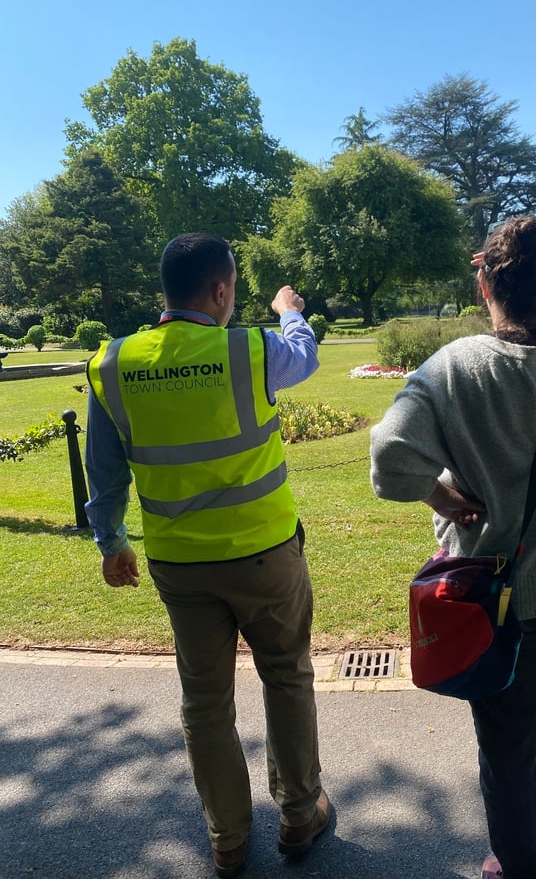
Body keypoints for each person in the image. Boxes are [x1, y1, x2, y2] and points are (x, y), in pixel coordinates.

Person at [370, 216, 536, 879]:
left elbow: (389, 464)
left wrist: (441, 496)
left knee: (508, 750)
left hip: (494, 602)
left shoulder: (453, 369)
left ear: (482, 282)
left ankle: (522, 869)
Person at [84, 232, 331, 878]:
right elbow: (303, 357)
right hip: (264, 553)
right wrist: (288, 310)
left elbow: (103, 472)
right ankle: (300, 815)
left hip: (178, 565)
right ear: (221, 290)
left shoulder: (113, 364)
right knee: (286, 676)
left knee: (204, 702)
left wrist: (110, 542)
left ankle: (226, 839)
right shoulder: (249, 349)